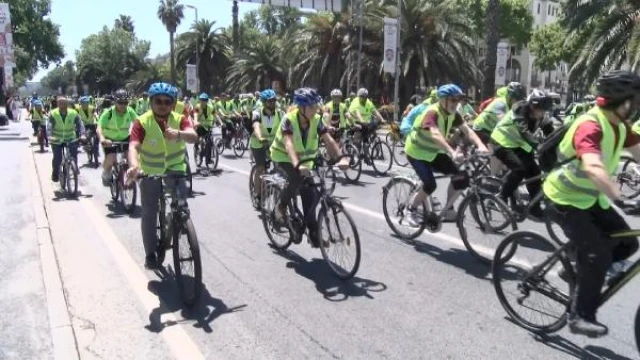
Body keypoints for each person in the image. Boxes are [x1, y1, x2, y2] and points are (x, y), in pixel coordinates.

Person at [544, 70, 640, 337]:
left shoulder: (621, 127)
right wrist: (621, 198)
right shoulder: (591, 125)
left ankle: (579, 270)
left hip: (588, 199)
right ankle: (580, 315)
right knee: (596, 254)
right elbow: (594, 166)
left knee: (628, 243)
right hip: (564, 198)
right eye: (636, 100)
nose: (638, 105)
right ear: (623, 101)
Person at [127, 82, 197, 269]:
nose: (163, 105)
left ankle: (175, 223)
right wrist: (134, 166)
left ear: (173, 103)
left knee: (181, 208)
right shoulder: (141, 122)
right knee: (149, 213)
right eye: (158, 101)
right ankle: (150, 254)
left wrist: (179, 134)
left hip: (176, 169)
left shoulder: (180, 119)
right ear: (151, 102)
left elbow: (193, 135)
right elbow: (133, 146)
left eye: (167, 101)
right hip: (150, 172)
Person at [270, 88, 349, 247]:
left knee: (311, 194)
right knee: (295, 179)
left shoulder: (317, 120)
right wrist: (297, 165)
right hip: (283, 157)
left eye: (316, 106)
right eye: (312, 106)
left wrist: (341, 157)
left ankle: (313, 234)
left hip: (305, 162)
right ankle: (281, 207)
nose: (315, 109)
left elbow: (329, 140)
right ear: (301, 107)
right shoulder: (289, 120)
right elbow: (289, 144)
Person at [403, 84, 489, 225]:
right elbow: (435, 134)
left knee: (459, 178)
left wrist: (480, 145)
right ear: (443, 100)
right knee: (430, 185)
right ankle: (410, 210)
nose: (457, 103)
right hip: (416, 153)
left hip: (434, 152)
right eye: (453, 100)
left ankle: (448, 210)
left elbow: (467, 131)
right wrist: (452, 152)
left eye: (458, 100)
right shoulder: (432, 113)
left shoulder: (453, 114)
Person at [490, 89, 555, 219]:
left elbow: (552, 135)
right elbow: (524, 132)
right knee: (519, 169)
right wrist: (539, 146)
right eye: (539, 109)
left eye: (544, 109)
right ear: (531, 106)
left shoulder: (542, 116)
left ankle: (534, 208)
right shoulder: (520, 110)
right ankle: (502, 197)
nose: (542, 112)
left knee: (535, 172)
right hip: (501, 142)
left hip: (518, 145)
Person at [98, 89, 138, 186]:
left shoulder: (130, 111)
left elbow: (139, 124)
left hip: (125, 138)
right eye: (120, 102)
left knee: (131, 158)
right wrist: (102, 139)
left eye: (125, 102)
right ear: (115, 102)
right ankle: (106, 173)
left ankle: (129, 179)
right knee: (111, 159)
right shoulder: (108, 113)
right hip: (109, 139)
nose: (123, 105)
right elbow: (99, 128)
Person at [250, 89, 283, 202]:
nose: (272, 103)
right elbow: (256, 125)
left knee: (281, 167)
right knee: (261, 168)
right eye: (269, 101)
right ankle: (258, 194)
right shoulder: (257, 112)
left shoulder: (280, 113)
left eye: (274, 101)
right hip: (258, 144)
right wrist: (260, 137)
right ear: (264, 102)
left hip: (274, 144)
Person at [47, 96, 85, 182]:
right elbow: (49, 126)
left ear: (67, 104)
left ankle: (74, 168)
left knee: (73, 156)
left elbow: (80, 124)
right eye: (60, 103)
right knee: (57, 158)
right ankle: (55, 173)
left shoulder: (73, 113)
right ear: (57, 104)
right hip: (57, 140)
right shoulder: (53, 114)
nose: (62, 105)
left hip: (70, 138)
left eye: (64, 103)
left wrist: (83, 134)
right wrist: (50, 136)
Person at [193, 92, 215, 165]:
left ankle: (208, 159)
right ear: (200, 100)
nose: (203, 101)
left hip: (208, 126)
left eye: (205, 100)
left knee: (209, 143)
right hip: (199, 126)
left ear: (207, 100)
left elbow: (215, 115)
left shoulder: (211, 107)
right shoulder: (197, 107)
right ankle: (196, 148)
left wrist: (221, 122)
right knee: (197, 138)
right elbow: (195, 115)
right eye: (202, 100)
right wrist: (196, 122)